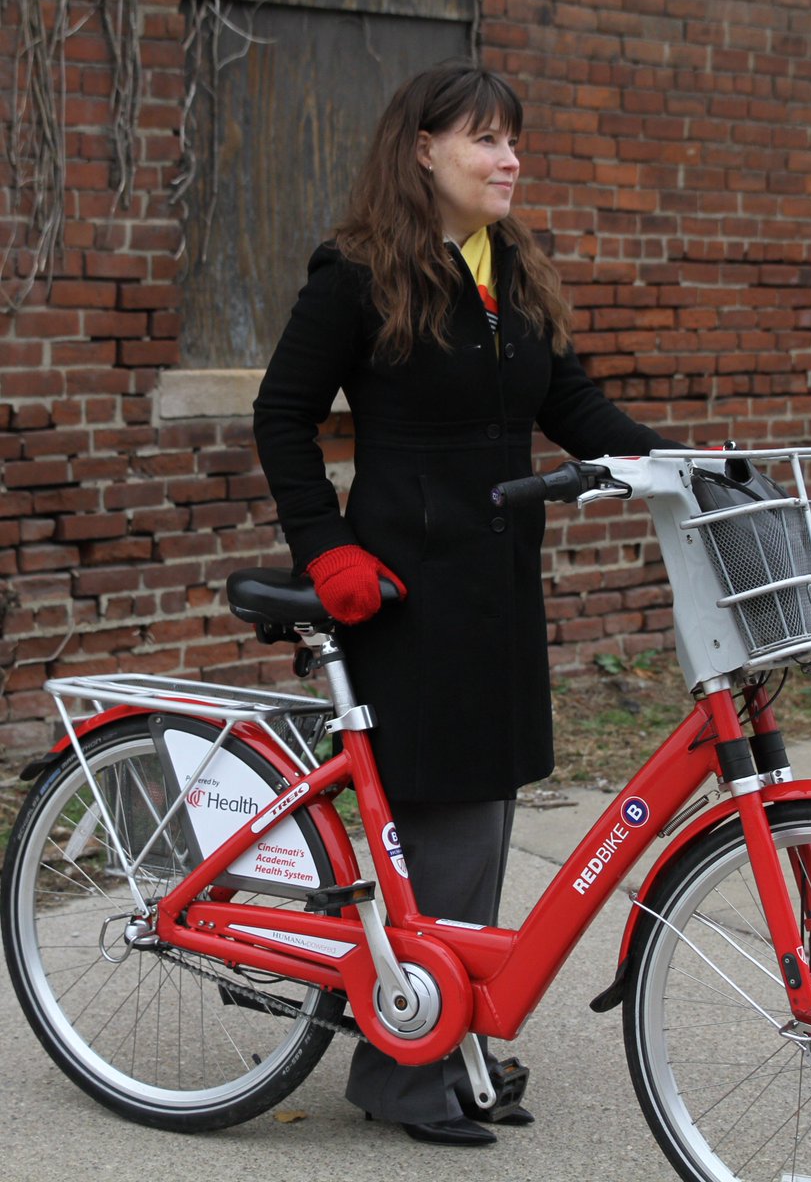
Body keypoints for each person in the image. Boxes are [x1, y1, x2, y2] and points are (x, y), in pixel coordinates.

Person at [253, 60, 683, 1147]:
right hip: (402, 589)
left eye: (512, 139)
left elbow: (574, 406)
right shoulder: (356, 273)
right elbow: (282, 414)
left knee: (483, 808)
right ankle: (403, 1068)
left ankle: (449, 1032)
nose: (509, 159)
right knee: (442, 813)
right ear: (422, 149)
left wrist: (682, 466)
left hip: (496, 582)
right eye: (486, 139)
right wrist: (326, 546)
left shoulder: (513, 267)